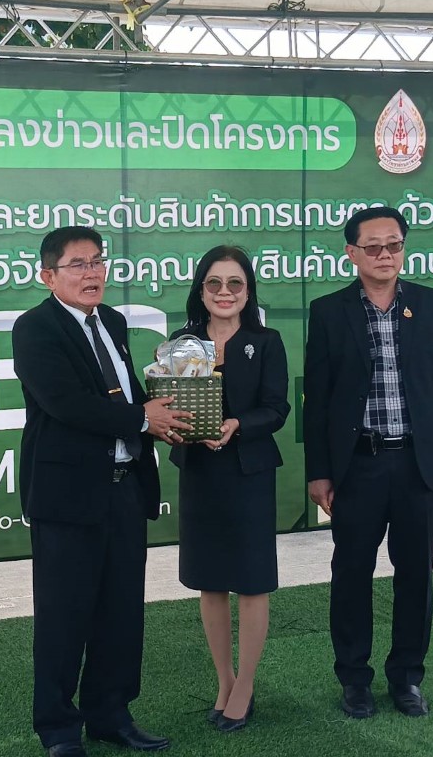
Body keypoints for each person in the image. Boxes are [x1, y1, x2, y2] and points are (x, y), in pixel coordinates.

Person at [13, 226, 192, 757]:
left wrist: (164, 416)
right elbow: (65, 403)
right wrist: (142, 418)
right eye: (78, 264)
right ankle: (59, 730)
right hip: (67, 497)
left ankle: (110, 715)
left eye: (97, 261)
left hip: (125, 489)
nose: (92, 273)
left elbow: (127, 395)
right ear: (48, 276)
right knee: (63, 617)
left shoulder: (111, 321)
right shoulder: (35, 328)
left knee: (121, 613)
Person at [303, 206, 433, 719]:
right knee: (351, 573)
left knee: (416, 575)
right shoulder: (328, 311)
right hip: (358, 466)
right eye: (373, 246)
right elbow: (318, 398)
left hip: (418, 464)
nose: (385, 255)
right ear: (351, 253)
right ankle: (354, 679)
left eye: (394, 244)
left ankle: (407, 678)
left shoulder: (431, 303)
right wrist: (319, 471)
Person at [168, 245, 289, 733]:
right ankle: (225, 681)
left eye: (235, 283)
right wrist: (175, 427)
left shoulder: (267, 341)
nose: (225, 292)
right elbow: (168, 403)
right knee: (210, 580)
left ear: (248, 290)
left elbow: (277, 409)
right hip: (200, 473)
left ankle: (246, 686)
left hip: (249, 474)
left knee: (252, 581)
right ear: (201, 290)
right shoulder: (181, 344)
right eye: (214, 283)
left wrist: (237, 424)